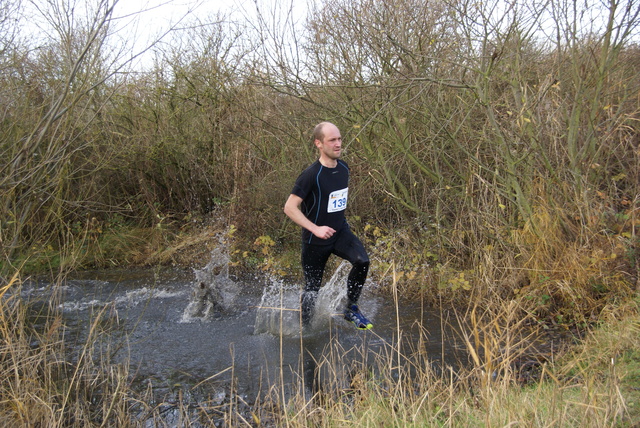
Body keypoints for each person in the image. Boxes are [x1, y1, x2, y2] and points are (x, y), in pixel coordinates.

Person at [284, 122, 372, 330]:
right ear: (319, 144)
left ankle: (350, 308)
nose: (338, 143)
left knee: (362, 261)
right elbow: (289, 207)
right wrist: (316, 228)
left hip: (339, 231)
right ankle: (305, 331)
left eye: (340, 139)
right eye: (332, 140)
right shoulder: (310, 175)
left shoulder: (343, 168)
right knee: (312, 290)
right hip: (315, 240)